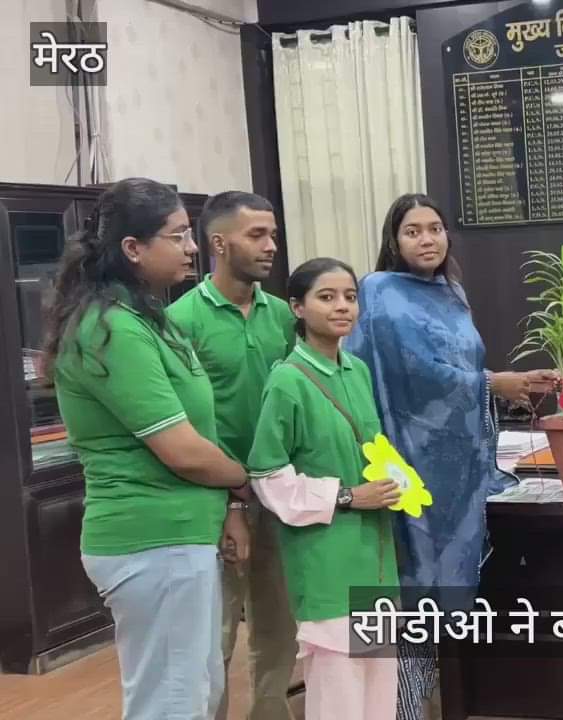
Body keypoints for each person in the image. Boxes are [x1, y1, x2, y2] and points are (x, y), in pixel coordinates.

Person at [344, 194, 557, 720]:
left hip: (456, 465)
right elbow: (417, 374)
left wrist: (505, 386)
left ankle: (426, 703)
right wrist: (492, 382)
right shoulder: (380, 293)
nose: (427, 239)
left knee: (437, 598)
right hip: (403, 460)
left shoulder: (451, 292)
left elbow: (457, 369)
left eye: (435, 228)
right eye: (413, 230)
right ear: (394, 240)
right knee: (401, 591)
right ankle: (394, 710)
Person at [46, 177, 250, 719]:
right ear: (133, 249)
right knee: (171, 703)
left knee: (199, 693)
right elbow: (182, 449)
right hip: (151, 539)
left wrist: (230, 501)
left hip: (182, 535)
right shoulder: (108, 328)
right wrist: (251, 478)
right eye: (179, 235)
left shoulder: (148, 318)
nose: (192, 248)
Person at [247, 257, 401, 720]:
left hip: (376, 555)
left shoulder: (356, 369)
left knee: (380, 688)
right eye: (327, 297)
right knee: (339, 694)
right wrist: (349, 495)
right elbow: (267, 477)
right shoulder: (288, 381)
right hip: (325, 558)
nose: (343, 308)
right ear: (296, 307)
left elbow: (369, 450)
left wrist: (400, 483)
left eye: (350, 297)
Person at [167, 191, 299, 720]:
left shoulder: (284, 316)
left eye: (272, 234)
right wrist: (231, 505)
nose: (271, 246)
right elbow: (183, 428)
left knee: (278, 630)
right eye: (257, 235)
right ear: (218, 244)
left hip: (280, 497)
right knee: (213, 639)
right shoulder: (179, 321)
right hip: (214, 505)